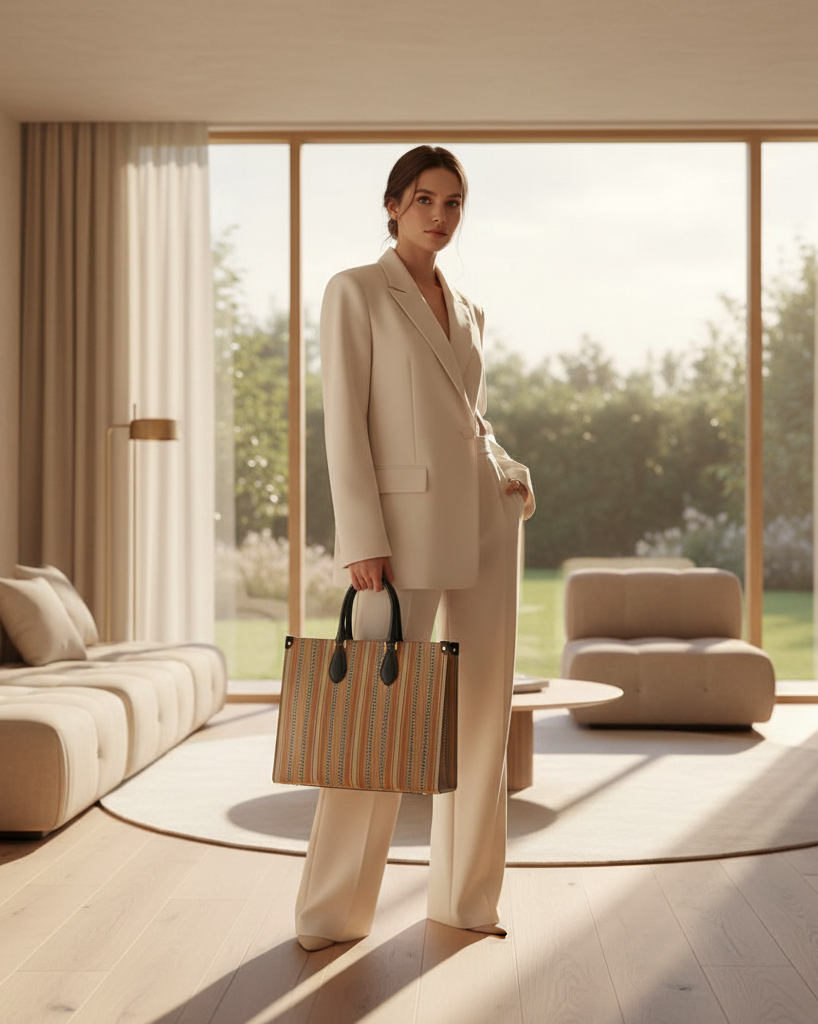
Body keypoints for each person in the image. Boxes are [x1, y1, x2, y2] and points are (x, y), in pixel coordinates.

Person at [295, 145, 535, 951]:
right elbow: (345, 421)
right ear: (393, 205)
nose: (440, 215)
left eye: (454, 203)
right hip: (395, 540)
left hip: (487, 523)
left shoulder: (467, 310)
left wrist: (509, 471)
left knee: (481, 723)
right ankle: (332, 914)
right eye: (425, 199)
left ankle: (466, 901)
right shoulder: (355, 291)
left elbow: (474, 419)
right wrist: (360, 536)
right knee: (373, 719)